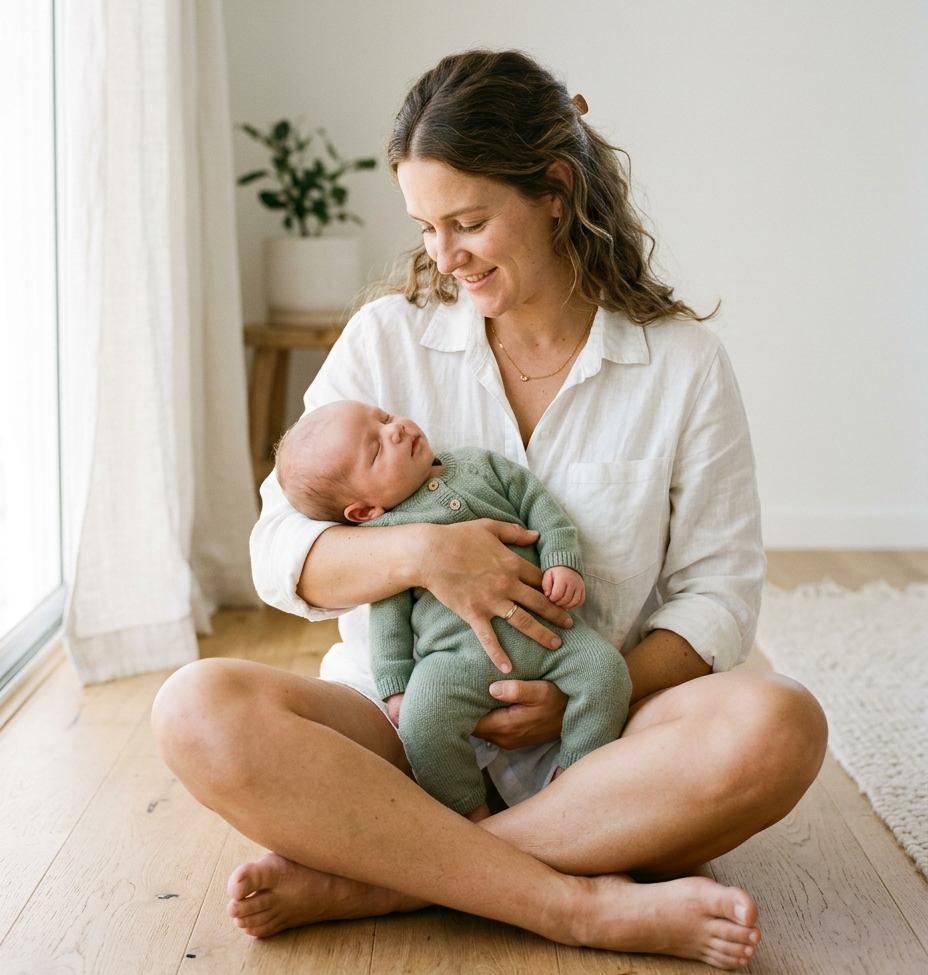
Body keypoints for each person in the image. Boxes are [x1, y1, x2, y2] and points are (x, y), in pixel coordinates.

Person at [151, 49, 828, 970]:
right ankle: (575, 901)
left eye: (469, 222)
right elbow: (279, 546)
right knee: (195, 707)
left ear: (556, 191)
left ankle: (389, 876)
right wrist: (423, 555)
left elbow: (718, 594)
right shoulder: (387, 340)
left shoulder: (681, 366)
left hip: (602, 747)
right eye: (427, 228)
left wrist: (582, 692)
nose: (444, 256)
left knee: (781, 723)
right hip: (402, 734)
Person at [274, 399, 632, 820]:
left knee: (608, 672)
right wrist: (396, 686)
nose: (395, 429)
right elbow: (387, 621)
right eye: (376, 449)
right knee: (422, 725)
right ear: (365, 511)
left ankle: (575, 774)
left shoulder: (481, 466)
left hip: (554, 635)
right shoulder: (386, 537)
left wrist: (560, 560)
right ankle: (469, 815)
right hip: (456, 661)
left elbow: (541, 508)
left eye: (385, 418)